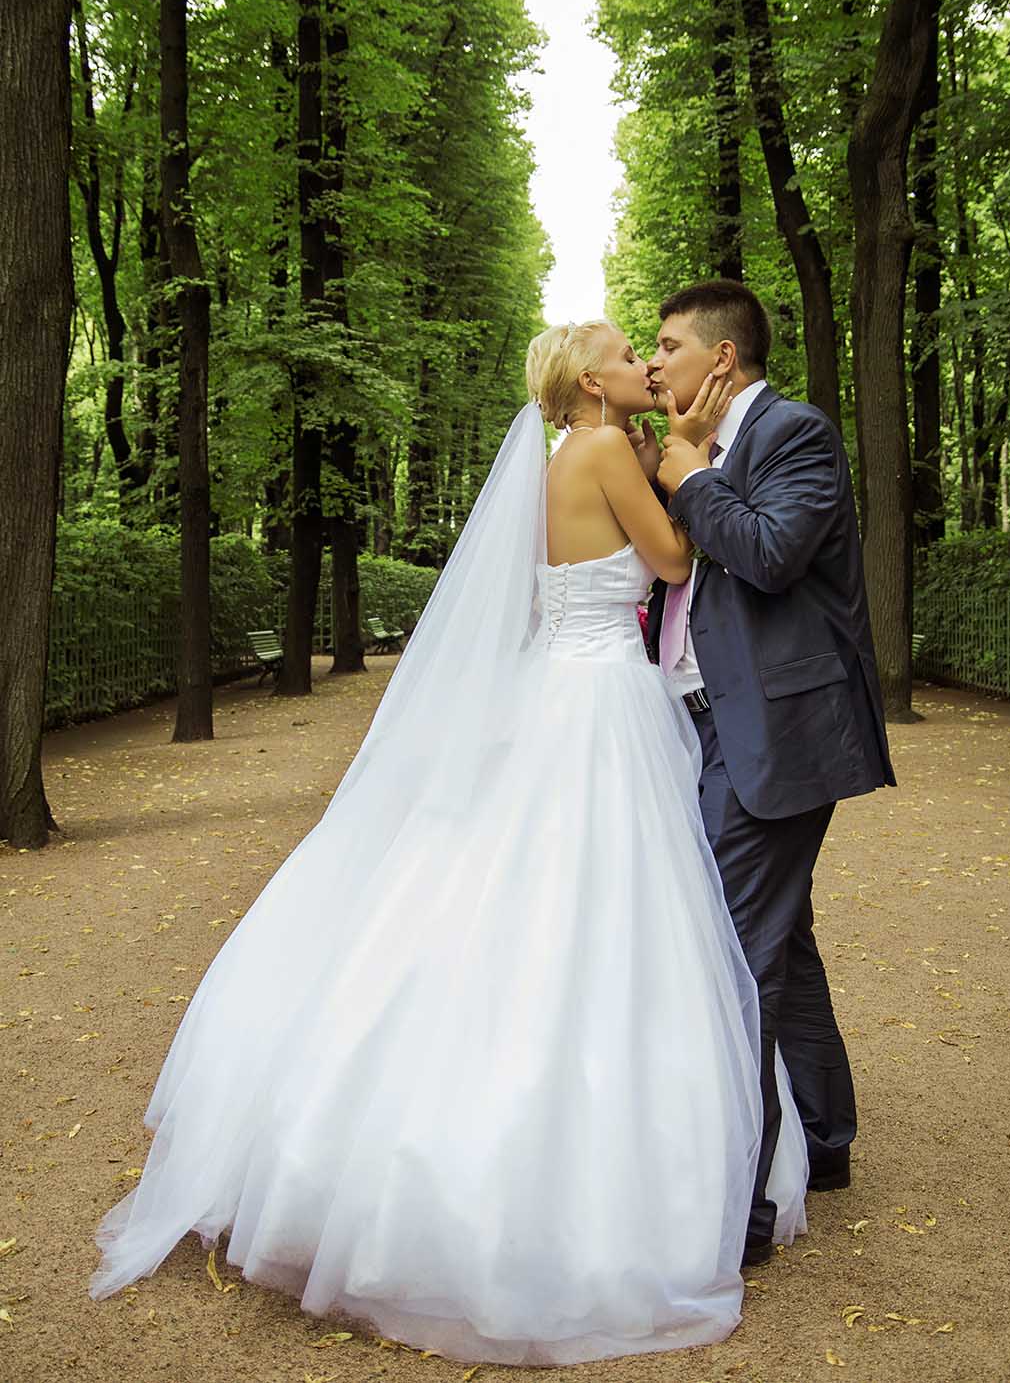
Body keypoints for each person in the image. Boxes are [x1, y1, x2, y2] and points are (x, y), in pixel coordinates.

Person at [89, 317, 807, 1365]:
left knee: (529, 900)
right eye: (624, 355)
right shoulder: (608, 451)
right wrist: (687, 460)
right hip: (603, 705)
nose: (641, 366)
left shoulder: (568, 456)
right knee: (605, 908)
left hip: (565, 685)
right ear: (588, 382)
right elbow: (669, 558)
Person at [641, 279, 896, 1267]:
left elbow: (773, 552)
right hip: (708, 729)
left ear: (720, 357)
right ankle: (823, 1141)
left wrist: (689, 475)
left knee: (732, 955)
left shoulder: (794, 432)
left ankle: (738, 1212)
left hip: (774, 733)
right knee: (781, 939)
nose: (652, 360)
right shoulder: (693, 446)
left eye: (667, 344)